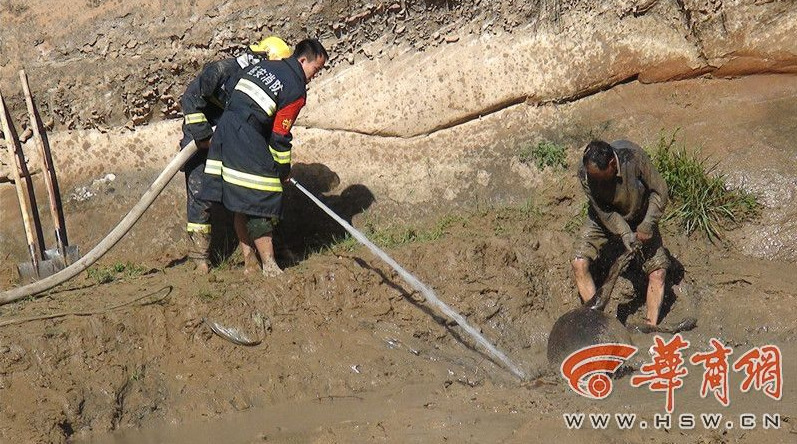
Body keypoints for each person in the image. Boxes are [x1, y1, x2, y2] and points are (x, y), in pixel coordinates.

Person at [200, 39, 328, 276]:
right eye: (315, 69)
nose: (314, 76)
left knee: (240, 197)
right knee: (263, 197)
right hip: (244, 136)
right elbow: (280, 134)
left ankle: (250, 263)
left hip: (226, 130)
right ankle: (270, 265)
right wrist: (282, 168)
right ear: (302, 61)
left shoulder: (266, 66)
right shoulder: (296, 88)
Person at [178, 36, 291, 273]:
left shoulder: (262, 82)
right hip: (203, 142)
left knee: (250, 193)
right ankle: (200, 259)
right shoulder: (221, 71)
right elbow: (190, 99)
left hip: (234, 141)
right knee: (201, 195)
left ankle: (264, 253)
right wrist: (203, 136)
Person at [571, 139, 670, 326]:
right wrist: (624, 232)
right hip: (603, 218)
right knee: (579, 263)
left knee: (658, 273)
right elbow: (602, 210)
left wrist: (647, 225)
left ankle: (650, 328)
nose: (595, 183)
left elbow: (660, 192)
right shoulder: (585, 172)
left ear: (612, 164)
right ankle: (598, 325)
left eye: (600, 178)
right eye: (593, 179)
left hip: (641, 215)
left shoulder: (633, 157)